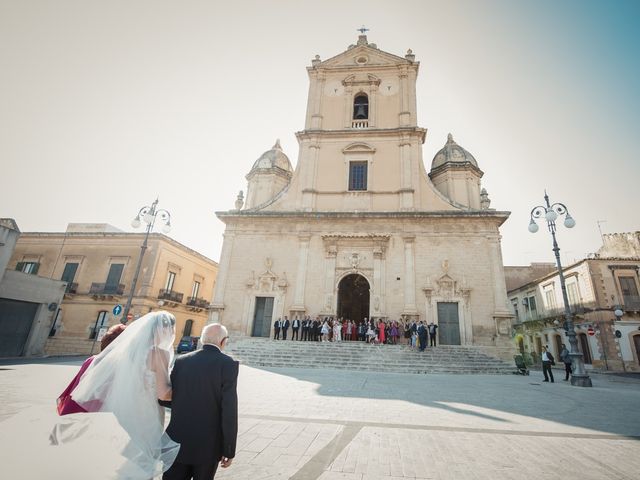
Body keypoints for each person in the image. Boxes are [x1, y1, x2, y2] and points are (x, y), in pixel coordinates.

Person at [59, 311, 180, 478]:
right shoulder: (159, 354)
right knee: (139, 461)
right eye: (172, 329)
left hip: (119, 411)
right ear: (164, 330)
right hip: (145, 416)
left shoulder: (125, 350)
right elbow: (164, 393)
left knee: (116, 459)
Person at [164, 323, 238, 479]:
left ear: (202, 340)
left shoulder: (182, 360)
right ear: (223, 341)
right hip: (208, 447)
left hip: (177, 441)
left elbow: (169, 398)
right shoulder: (228, 364)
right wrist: (229, 449)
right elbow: (229, 411)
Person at [57, 323, 127, 416]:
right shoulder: (121, 365)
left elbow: (76, 384)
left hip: (76, 408)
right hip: (99, 413)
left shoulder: (91, 360)